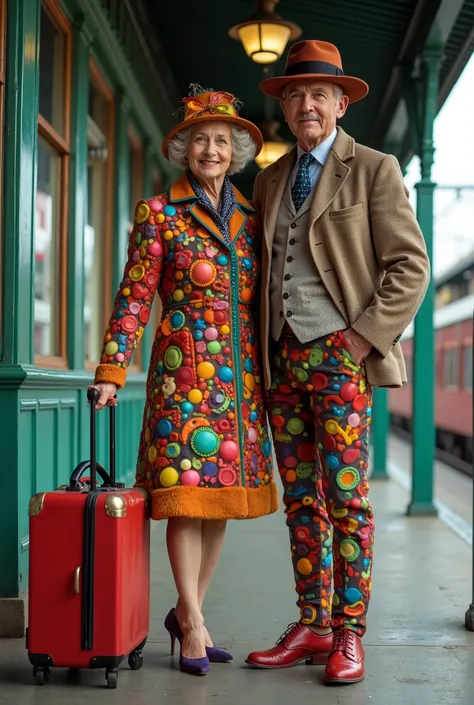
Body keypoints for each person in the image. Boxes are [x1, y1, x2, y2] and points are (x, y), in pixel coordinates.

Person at [245, 40, 430, 684]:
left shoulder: (374, 168)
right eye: (294, 94)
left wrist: (361, 339)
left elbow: (411, 266)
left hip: (340, 358)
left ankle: (350, 633)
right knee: (300, 501)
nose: (305, 105)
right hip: (281, 366)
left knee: (346, 500)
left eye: (317, 94)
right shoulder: (269, 178)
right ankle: (313, 624)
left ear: (341, 102)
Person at [93, 85, 278, 676]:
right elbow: (134, 297)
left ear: (237, 150)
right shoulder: (159, 214)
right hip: (182, 383)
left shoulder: (252, 220)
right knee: (184, 500)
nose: (212, 150)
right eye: (201, 139)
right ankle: (194, 621)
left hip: (239, 386)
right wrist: (112, 371)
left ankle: (186, 611)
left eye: (223, 141)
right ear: (184, 149)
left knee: (217, 504)